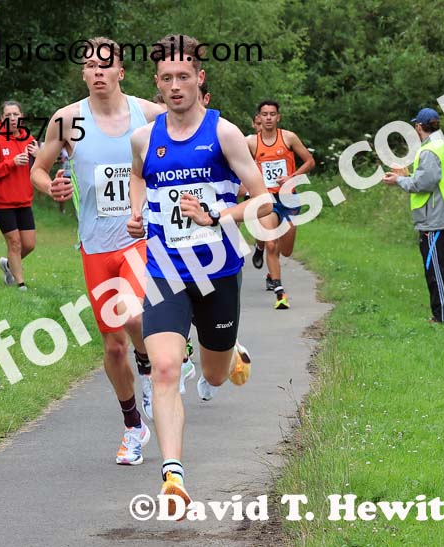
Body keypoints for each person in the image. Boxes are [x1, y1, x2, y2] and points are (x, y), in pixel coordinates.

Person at [127, 34, 274, 512]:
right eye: (166, 78)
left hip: (217, 270)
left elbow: (264, 200)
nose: (175, 85)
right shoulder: (144, 137)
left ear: (200, 78)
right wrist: (137, 212)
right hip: (166, 269)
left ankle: (228, 355)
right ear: (157, 82)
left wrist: (216, 215)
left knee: (212, 372)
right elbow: (138, 177)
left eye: (183, 77)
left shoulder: (225, 133)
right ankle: (173, 477)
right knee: (166, 368)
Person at [31, 37, 168, 466]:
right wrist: (49, 185)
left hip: (139, 238)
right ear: (84, 74)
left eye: (105, 66)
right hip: (94, 246)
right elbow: (38, 168)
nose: (97, 72)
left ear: (120, 73)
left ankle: (151, 371)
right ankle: (133, 427)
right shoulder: (68, 120)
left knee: (132, 315)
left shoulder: (148, 114)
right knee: (112, 348)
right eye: (89, 65)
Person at [383, 108, 444, 325]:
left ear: (418, 127)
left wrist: (398, 181)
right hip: (434, 216)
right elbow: (427, 178)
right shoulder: (436, 146)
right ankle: (439, 316)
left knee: (436, 269)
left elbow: (423, 184)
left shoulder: (429, 150)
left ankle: (443, 318)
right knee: (434, 267)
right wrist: (407, 175)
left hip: (434, 217)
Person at [246, 100, 314, 309]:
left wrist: (292, 177)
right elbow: (240, 166)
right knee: (271, 243)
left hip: (288, 197)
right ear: (259, 117)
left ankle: (265, 258)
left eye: (272, 114)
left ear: (278, 117)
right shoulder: (251, 143)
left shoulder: (288, 137)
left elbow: (310, 161)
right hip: (266, 199)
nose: (268, 118)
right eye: (264, 114)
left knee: (286, 250)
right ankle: (279, 291)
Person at [0, 100, 38, 290]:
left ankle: (8, 264)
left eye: (16, 115)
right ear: (2, 118)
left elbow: (40, 169)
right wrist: (11, 162)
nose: (12, 119)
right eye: (8, 116)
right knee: (14, 242)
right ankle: (20, 284)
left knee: (28, 244)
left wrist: (40, 155)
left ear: (21, 117)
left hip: (23, 200)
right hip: (1, 202)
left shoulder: (29, 140)